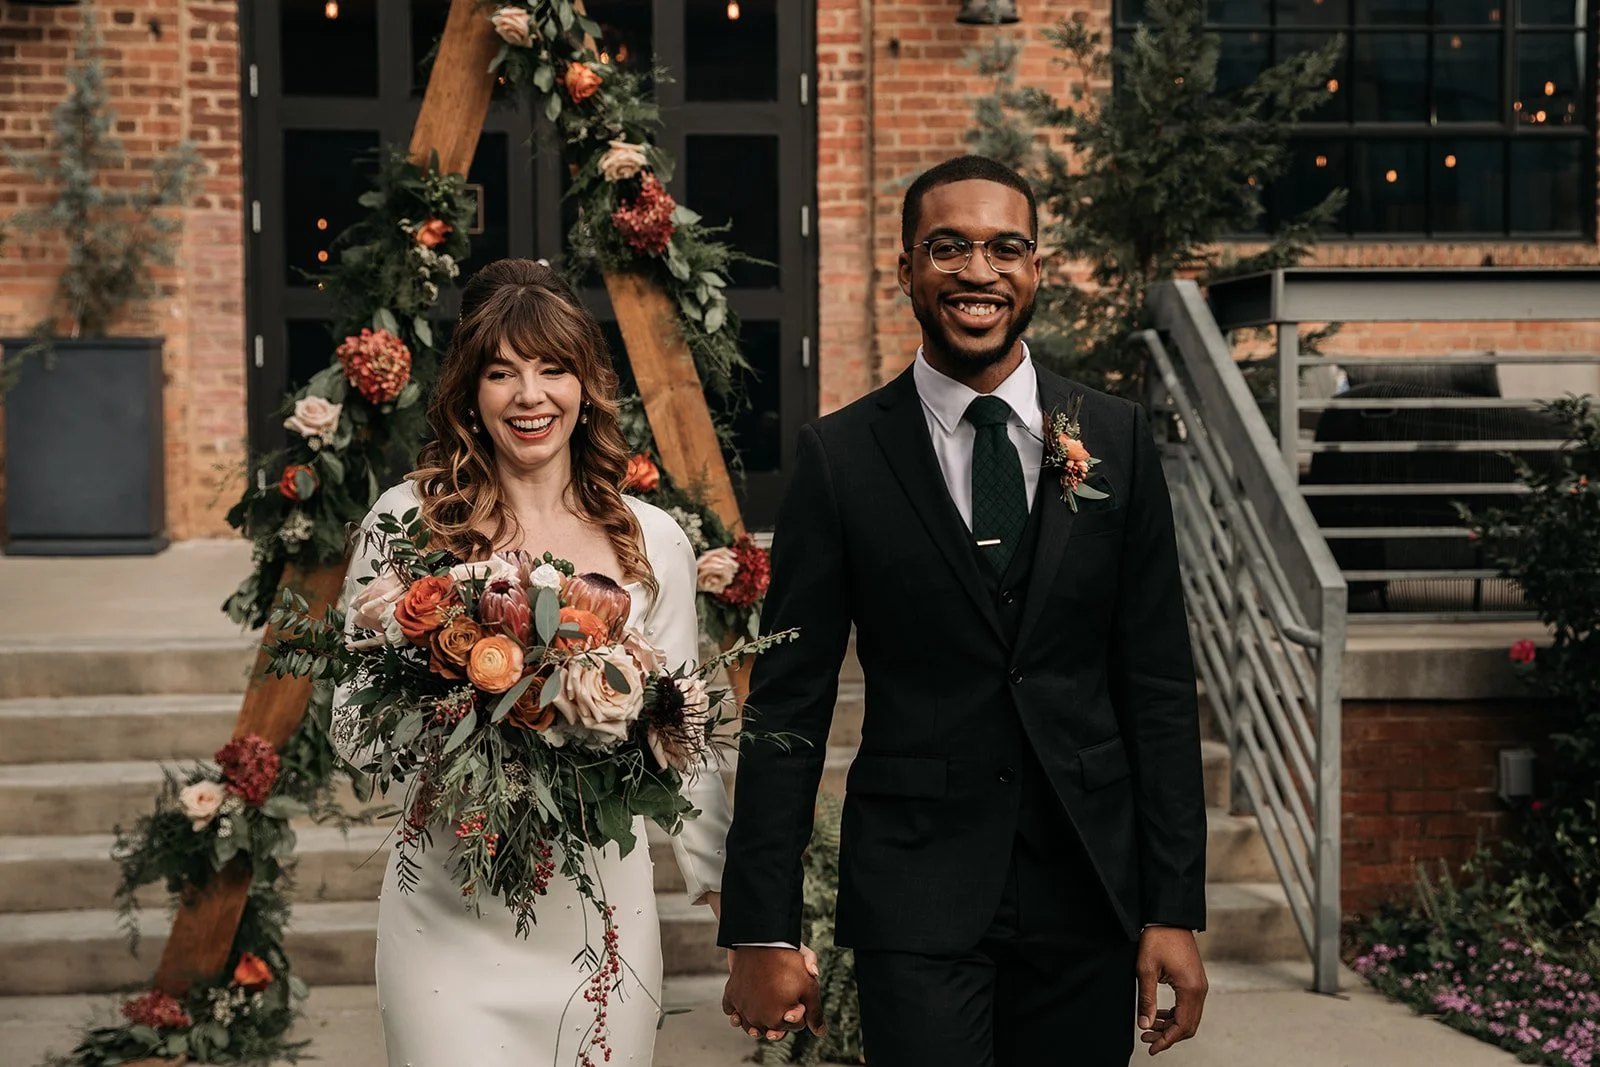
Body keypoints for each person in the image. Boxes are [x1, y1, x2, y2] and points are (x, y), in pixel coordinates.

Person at [718, 156, 1210, 1066]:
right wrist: (761, 923)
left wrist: (1172, 904)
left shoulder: (1116, 440)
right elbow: (789, 703)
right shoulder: (840, 456)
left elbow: (1157, 686)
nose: (978, 271)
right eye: (948, 247)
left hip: (1086, 885)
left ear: (1035, 269)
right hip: (917, 890)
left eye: (1005, 248)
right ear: (905, 267)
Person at [333, 258, 790, 1066]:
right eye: (502, 372)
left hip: (601, 920)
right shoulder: (405, 524)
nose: (529, 395)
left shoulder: (651, 540)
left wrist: (743, 919)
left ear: (587, 386)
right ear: (470, 393)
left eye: (553, 369)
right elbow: (352, 734)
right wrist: (444, 687)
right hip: (444, 911)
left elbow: (686, 742)